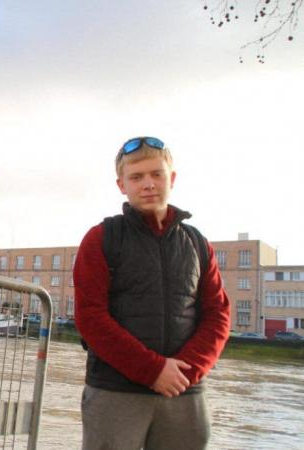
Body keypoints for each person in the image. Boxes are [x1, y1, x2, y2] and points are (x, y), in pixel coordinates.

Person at [73, 136, 231, 450]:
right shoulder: (102, 238)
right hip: (116, 393)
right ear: (122, 185)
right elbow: (90, 317)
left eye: (157, 174)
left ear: (171, 178)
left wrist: (185, 371)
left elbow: (218, 315)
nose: (148, 184)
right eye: (137, 177)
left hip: (184, 393)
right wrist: (154, 370)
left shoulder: (198, 244)